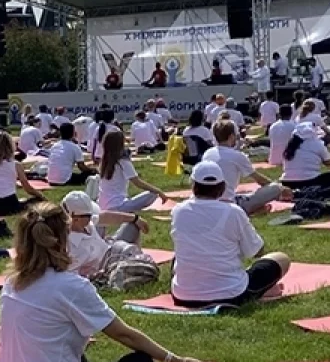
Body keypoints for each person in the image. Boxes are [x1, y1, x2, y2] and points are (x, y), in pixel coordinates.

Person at [0, 201, 212, 362]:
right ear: (63, 239)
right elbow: (123, 333)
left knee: (72, 347)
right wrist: (176, 361)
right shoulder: (69, 286)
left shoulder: (12, 283)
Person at [169, 162, 291, 308]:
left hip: (183, 296)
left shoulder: (178, 211)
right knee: (281, 259)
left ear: (193, 185)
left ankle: (262, 288)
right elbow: (257, 251)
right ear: (222, 187)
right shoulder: (233, 212)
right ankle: (263, 289)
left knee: (181, 255)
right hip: (230, 294)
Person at [203, 121, 285, 215]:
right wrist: (281, 187)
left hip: (210, 201)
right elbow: (260, 180)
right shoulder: (237, 156)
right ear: (231, 136)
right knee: (275, 188)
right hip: (230, 204)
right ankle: (253, 211)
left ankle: (257, 210)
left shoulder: (207, 153)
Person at [95, 130, 165, 236]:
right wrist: (159, 191)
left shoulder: (104, 162)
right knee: (152, 194)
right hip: (119, 206)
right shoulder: (122, 162)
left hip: (101, 205)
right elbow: (137, 182)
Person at [0, 132, 44, 217]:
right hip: (11, 204)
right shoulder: (15, 164)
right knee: (35, 200)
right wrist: (40, 195)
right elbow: (27, 188)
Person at [278, 122, 330, 189]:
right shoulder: (317, 143)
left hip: (286, 181)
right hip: (308, 180)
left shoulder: (290, 145)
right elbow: (329, 162)